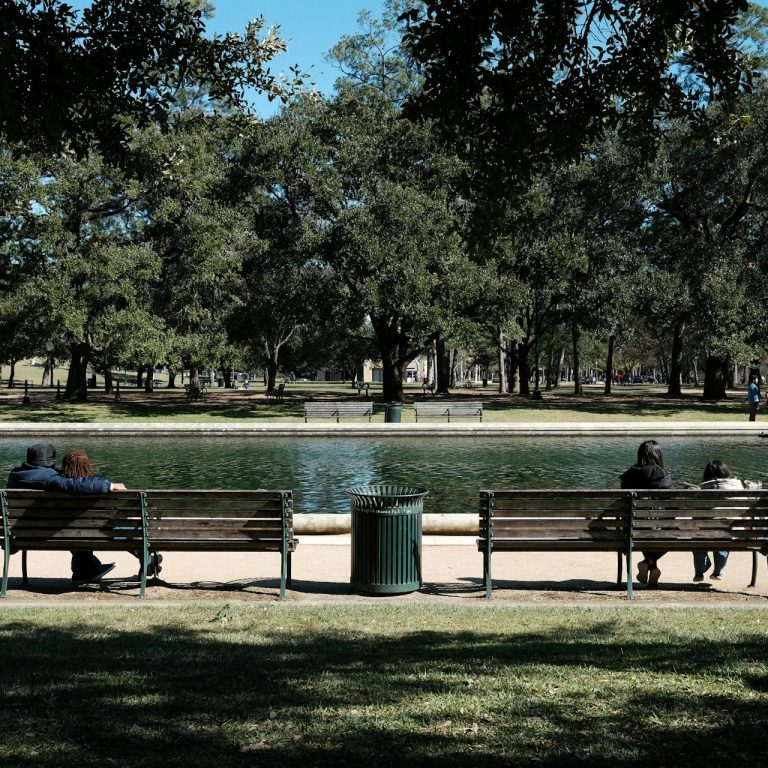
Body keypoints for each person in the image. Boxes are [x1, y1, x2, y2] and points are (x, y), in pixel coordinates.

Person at [7, 443, 121, 584]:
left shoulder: (15, 475)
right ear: (51, 460)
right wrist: (109, 485)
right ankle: (86, 571)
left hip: (21, 533)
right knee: (75, 527)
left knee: (70, 524)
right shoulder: (49, 477)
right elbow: (74, 484)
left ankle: (86, 571)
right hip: (53, 533)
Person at [45, 449, 162, 580]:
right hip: (103, 532)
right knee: (124, 529)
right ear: (87, 465)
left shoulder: (55, 486)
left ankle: (84, 571)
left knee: (79, 530)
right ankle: (147, 559)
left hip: (66, 533)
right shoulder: (100, 485)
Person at [619, 439, 672, 588]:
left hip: (632, 528)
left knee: (640, 525)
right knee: (672, 529)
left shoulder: (629, 475)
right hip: (657, 527)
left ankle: (649, 563)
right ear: (658, 455)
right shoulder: (663, 475)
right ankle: (650, 563)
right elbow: (671, 508)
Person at [683, 460, 743, 582]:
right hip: (729, 530)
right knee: (723, 538)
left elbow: (696, 516)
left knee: (698, 538)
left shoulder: (703, 489)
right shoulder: (738, 486)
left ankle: (699, 572)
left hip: (705, 531)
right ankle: (718, 572)